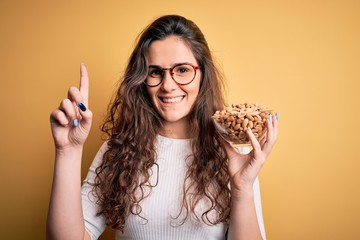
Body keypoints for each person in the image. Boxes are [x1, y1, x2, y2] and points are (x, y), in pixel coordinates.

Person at [47, 15, 278, 240]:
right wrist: (68, 151)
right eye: (155, 72)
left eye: (182, 70)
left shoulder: (233, 154)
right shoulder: (118, 150)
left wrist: (241, 188)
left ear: (202, 74)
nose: (168, 86)